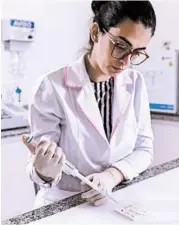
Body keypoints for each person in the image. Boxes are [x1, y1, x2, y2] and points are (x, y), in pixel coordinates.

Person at [23, 0, 156, 208]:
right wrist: (44, 170)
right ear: (95, 32)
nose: (126, 61)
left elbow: (144, 149)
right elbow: (40, 169)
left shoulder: (135, 82)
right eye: (121, 46)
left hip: (114, 200)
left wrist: (112, 175)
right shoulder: (52, 86)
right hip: (64, 205)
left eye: (137, 52)